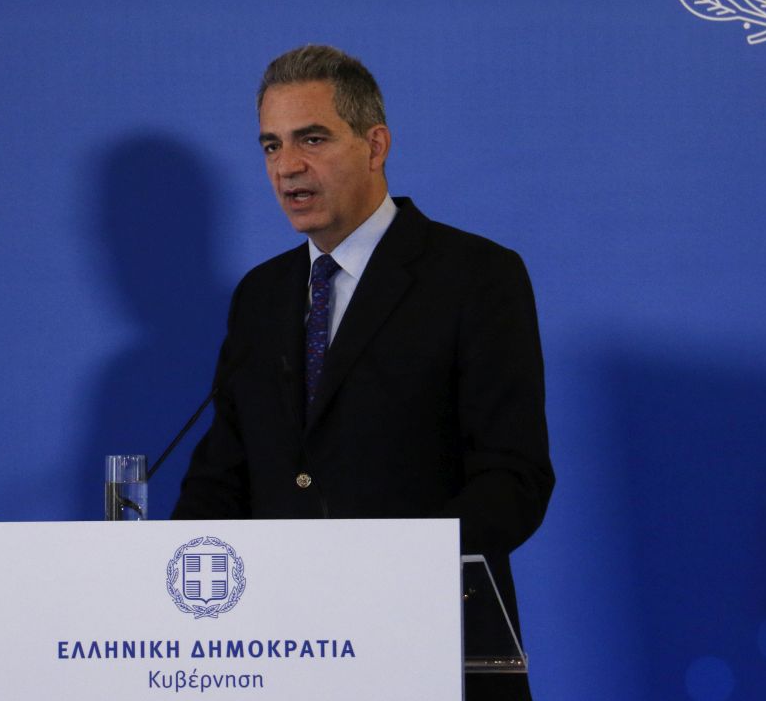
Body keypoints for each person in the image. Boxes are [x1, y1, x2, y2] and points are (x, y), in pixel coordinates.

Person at [172, 44, 554, 701]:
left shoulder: (475, 277)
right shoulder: (261, 296)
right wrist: (167, 581)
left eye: (312, 139)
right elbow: (220, 478)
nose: (287, 166)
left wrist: (384, 574)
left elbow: (514, 478)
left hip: (427, 648)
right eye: (271, 146)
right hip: (279, 656)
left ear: (375, 145)